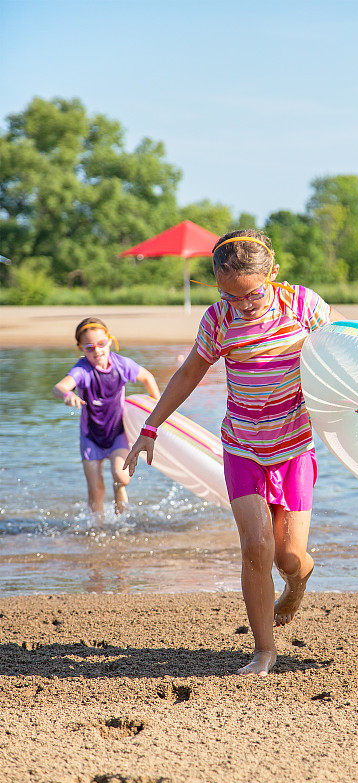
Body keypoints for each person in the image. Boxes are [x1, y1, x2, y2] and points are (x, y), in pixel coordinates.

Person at [124, 231, 334, 677]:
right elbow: (188, 373)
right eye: (228, 295)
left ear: (273, 275)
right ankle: (264, 650)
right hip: (242, 445)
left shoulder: (303, 305)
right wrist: (150, 426)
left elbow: (346, 353)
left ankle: (297, 584)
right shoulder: (219, 319)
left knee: (290, 558)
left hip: (294, 444)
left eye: (251, 294)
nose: (241, 304)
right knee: (256, 547)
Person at [53, 317, 160, 516]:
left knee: (122, 477)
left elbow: (147, 377)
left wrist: (157, 409)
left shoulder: (122, 365)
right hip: (90, 437)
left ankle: (119, 496)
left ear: (110, 340)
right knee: (95, 491)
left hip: (117, 433)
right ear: (81, 349)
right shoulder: (82, 370)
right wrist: (67, 395)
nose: (97, 351)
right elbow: (58, 387)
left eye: (101, 344)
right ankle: (98, 530)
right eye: (89, 348)